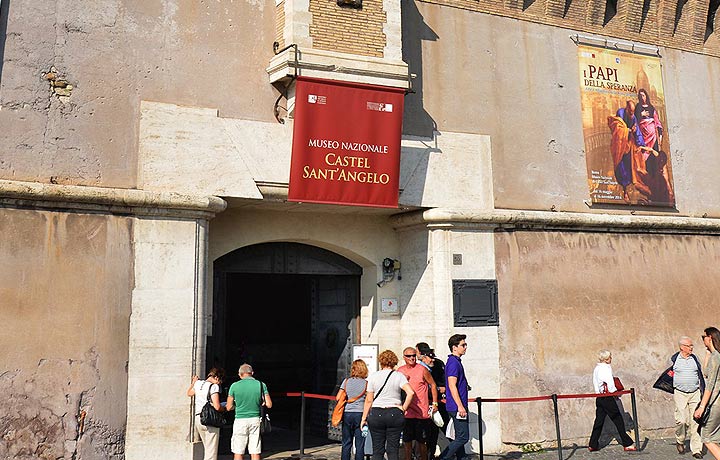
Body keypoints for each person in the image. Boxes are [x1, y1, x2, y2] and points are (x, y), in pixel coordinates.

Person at [361, 349, 415, 460]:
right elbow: (411, 393)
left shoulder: (373, 377)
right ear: (394, 362)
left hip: (377, 413)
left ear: (381, 361)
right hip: (394, 412)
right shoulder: (399, 376)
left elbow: (369, 400)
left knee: (377, 450)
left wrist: (363, 418)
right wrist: (403, 408)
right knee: (393, 449)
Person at [588, 350, 636, 452]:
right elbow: (610, 383)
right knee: (618, 419)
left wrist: (598, 393)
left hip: (600, 397)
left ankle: (593, 444)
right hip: (608, 397)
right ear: (606, 359)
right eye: (610, 357)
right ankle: (627, 443)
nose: (611, 359)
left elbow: (595, 383)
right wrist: (616, 393)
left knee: (599, 421)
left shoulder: (596, 368)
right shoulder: (606, 368)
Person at [398, 346, 438, 460]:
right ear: (404, 357)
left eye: (414, 355)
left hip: (421, 413)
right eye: (409, 356)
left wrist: (435, 403)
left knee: (422, 442)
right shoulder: (400, 371)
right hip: (407, 412)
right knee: (407, 442)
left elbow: (433, 384)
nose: (412, 358)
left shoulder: (422, 369)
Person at [226, 364, 272, 460]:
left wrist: (236, 406)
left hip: (240, 420)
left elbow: (229, 407)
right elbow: (269, 404)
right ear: (252, 373)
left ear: (240, 374)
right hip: (255, 419)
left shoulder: (234, 386)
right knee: (255, 451)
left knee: (238, 451)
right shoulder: (261, 384)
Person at [671, 336, 705, 457]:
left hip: (694, 393)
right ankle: (680, 440)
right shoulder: (674, 359)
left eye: (692, 346)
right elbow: (668, 374)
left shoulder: (695, 359)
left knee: (695, 420)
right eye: (689, 346)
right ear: (682, 347)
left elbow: (701, 373)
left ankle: (696, 449)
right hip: (680, 393)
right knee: (681, 420)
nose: (691, 348)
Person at [438, 334, 470, 460]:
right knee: (463, 437)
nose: (465, 347)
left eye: (465, 344)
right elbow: (452, 385)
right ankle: (443, 458)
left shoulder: (455, 362)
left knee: (459, 437)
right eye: (463, 345)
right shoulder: (453, 363)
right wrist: (460, 406)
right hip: (456, 406)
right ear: (454, 347)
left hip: (456, 405)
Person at [187, 368, 226, 460]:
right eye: (220, 381)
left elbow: (189, 393)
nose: (219, 383)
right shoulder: (214, 387)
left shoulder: (198, 383)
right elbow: (217, 406)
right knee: (211, 452)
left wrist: (193, 382)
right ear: (216, 377)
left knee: (207, 448)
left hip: (198, 418)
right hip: (210, 419)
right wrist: (224, 407)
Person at [694, 327, 720, 459]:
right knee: (714, 437)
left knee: (707, 437)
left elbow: (710, 385)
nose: (702, 339)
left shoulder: (716, 357)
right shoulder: (714, 356)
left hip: (715, 402)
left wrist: (702, 406)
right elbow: (706, 373)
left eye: (703, 337)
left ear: (710, 337)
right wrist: (708, 352)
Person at [417, 342, 446, 460]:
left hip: (432, 406)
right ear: (424, 357)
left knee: (433, 434)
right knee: (425, 436)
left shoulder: (433, 367)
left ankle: (429, 456)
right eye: (430, 358)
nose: (432, 360)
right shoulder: (420, 369)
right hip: (423, 406)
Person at [337, 359, 369, 460]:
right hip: (361, 414)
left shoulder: (346, 382)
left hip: (347, 413)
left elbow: (338, 397)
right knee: (360, 445)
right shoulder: (367, 383)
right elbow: (369, 400)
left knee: (346, 443)